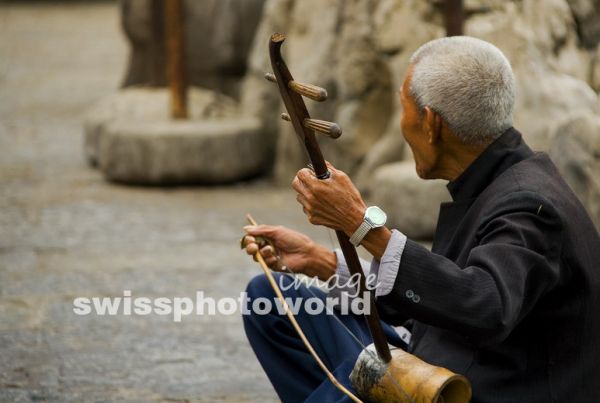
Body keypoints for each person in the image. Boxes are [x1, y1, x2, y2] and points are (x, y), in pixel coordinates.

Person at [241, 36, 600, 403]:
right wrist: (321, 263)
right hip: (433, 352)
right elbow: (436, 295)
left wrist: (360, 224)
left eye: (403, 109)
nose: (401, 125)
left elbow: (484, 306)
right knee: (268, 299)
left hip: (472, 388)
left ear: (430, 124)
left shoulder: (530, 205)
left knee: (349, 387)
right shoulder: (491, 182)